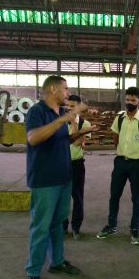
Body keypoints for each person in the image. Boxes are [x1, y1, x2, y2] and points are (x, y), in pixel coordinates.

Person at [25, 75, 94, 279]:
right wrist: (65, 119)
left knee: (57, 224)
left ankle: (57, 261)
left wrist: (78, 133)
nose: (67, 92)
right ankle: (33, 273)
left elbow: (61, 140)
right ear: (53, 89)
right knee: (41, 227)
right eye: (65, 89)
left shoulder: (59, 114)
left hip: (64, 177)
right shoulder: (37, 112)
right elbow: (33, 138)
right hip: (45, 181)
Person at [97, 87, 139, 245]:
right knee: (114, 195)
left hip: (137, 164)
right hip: (121, 162)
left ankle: (134, 229)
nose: (130, 103)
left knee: (136, 197)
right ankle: (112, 225)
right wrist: (122, 151)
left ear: (138, 101)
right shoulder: (119, 119)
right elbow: (115, 137)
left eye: (133, 100)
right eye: (128, 100)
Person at [63, 94, 92, 240]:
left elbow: (76, 142)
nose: (68, 108)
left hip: (76, 165)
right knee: (62, 197)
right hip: (61, 164)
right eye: (67, 105)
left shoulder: (84, 125)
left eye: (72, 107)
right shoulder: (60, 122)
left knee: (77, 197)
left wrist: (73, 121)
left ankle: (76, 227)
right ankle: (63, 227)